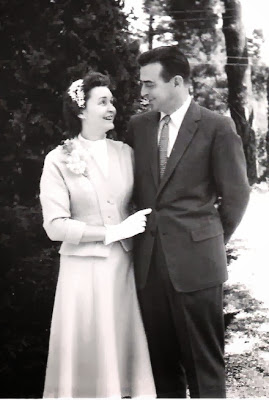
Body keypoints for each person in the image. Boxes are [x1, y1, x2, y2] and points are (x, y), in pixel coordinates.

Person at [127, 46, 250, 398]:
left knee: (204, 366)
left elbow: (237, 196)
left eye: (149, 84)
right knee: (161, 366)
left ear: (177, 81)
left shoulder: (217, 127)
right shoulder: (138, 127)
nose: (142, 93)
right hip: (149, 265)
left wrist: (205, 239)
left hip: (197, 265)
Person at [39, 72, 156, 398]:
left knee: (121, 353)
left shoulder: (126, 153)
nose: (112, 108)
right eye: (102, 102)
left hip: (122, 270)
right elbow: (55, 226)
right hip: (82, 273)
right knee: (87, 353)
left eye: (112, 101)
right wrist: (111, 231)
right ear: (80, 110)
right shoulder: (58, 159)